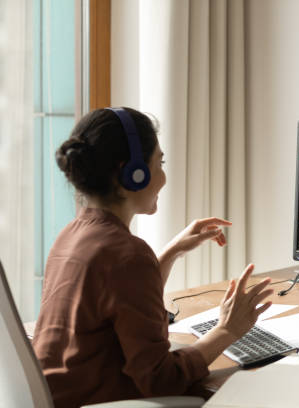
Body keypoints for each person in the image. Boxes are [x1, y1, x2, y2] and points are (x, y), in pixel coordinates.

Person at [32, 108, 274, 408]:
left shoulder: (71, 235)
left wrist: (171, 253)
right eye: (159, 163)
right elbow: (162, 379)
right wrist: (227, 330)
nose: (163, 176)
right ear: (133, 174)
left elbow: (117, 302)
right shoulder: (126, 256)